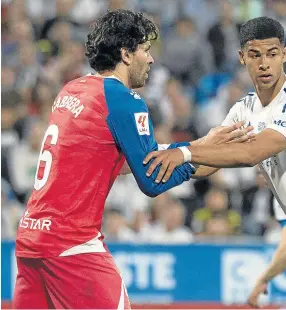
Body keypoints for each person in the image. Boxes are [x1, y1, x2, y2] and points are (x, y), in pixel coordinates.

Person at [13, 9, 251, 309]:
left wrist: (197, 147)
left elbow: (113, 160)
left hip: (31, 239)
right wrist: (203, 153)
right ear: (126, 54)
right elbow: (151, 180)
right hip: (71, 245)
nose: (150, 59)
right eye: (146, 50)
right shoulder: (124, 100)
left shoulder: (72, 89)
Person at [144, 17, 286, 309]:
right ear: (242, 58)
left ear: (285, 55)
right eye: (255, 55)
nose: (264, 63)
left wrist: (183, 153)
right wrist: (156, 162)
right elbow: (210, 159)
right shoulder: (245, 109)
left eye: (272, 54)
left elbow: (251, 153)